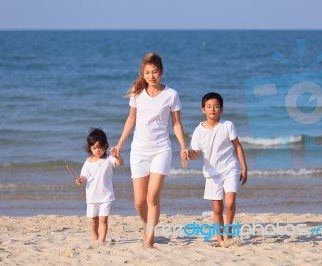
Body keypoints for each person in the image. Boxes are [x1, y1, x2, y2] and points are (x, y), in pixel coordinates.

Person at [111, 52, 188, 248]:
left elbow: (176, 124)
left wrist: (183, 146)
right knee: (139, 202)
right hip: (138, 151)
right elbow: (131, 120)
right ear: (143, 74)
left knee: (152, 196)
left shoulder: (171, 95)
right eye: (147, 72)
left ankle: (150, 237)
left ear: (161, 72)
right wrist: (119, 145)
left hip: (161, 150)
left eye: (155, 72)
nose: (151, 76)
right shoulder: (137, 94)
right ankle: (147, 224)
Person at [183, 92, 247, 248]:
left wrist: (244, 167)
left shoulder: (227, 125)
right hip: (212, 173)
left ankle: (229, 232)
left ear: (222, 109)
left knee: (230, 202)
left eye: (216, 106)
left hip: (229, 168)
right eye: (209, 106)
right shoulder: (199, 131)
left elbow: (237, 146)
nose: (213, 109)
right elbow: (196, 154)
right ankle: (220, 240)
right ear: (203, 110)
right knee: (217, 208)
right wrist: (189, 154)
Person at [76, 128, 124, 244]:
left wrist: (117, 156)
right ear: (90, 148)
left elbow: (120, 163)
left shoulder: (108, 158)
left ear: (105, 146)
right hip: (92, 195)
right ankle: (95, 236)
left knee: (103, 219)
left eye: (100, 147)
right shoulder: (88, 161)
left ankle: (102, 240)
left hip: (106, 195)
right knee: (94, 219)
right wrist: (80, 180)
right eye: (94, 148)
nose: (98, 150)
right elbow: (84, 175)